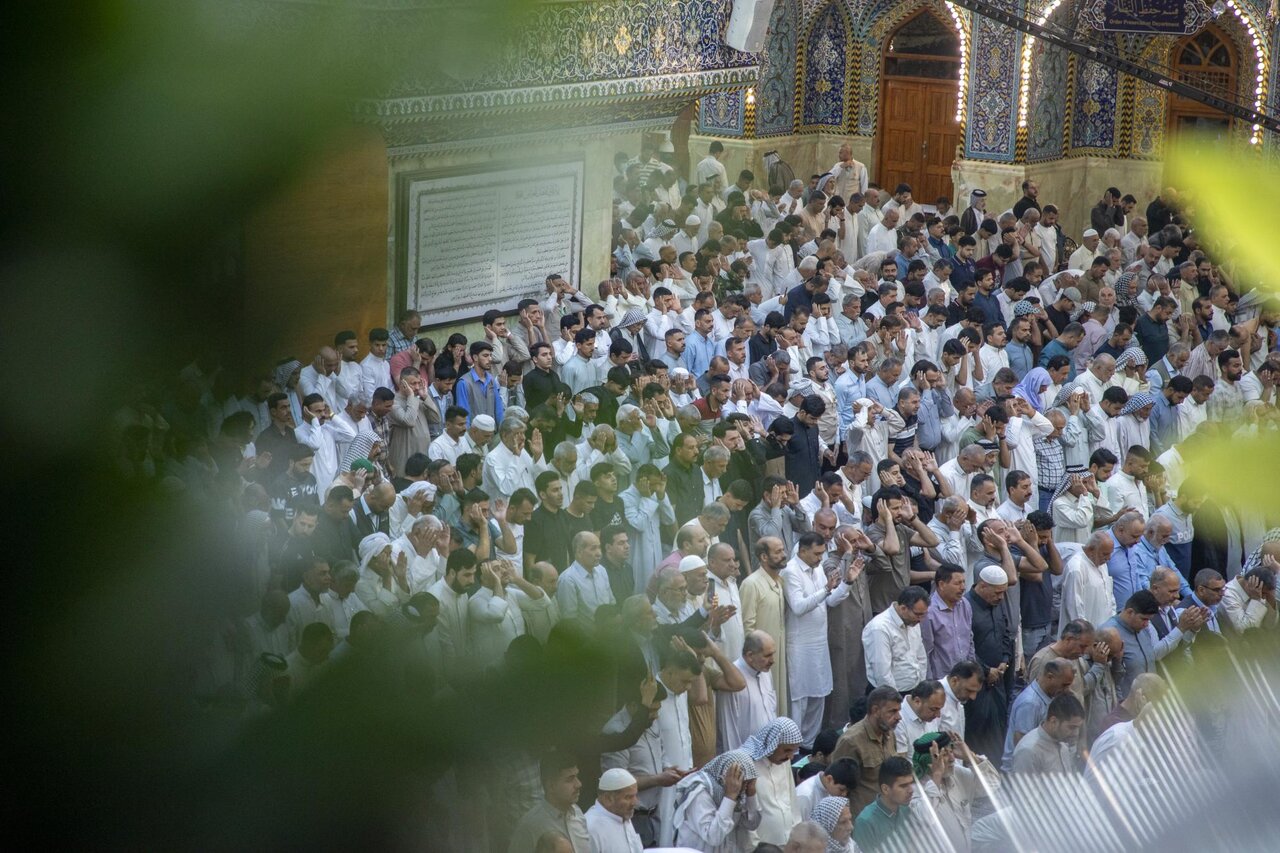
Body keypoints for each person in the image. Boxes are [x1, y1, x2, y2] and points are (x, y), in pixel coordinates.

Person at [910, 731, 999, 852]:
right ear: (929, 761)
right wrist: (936, 775)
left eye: (951, 751)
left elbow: (992, 783)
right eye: (944, 754)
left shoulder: (957, 774)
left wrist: (970, 757)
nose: (952, 759)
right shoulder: (913, 789)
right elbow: (926, 817)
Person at [670, 749, 762, 852]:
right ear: (725, 777)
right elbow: (713, 837)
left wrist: (751, 793)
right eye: (743, 782)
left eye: (747, 783)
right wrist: (730, 797)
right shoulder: (700, 792)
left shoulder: (737, 792)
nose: (744, 787)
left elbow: (751, 824)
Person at [830, 686, 902, 814]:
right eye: (892, 711)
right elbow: (838, 789)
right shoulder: (851, 741)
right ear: (875, 710)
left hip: (888, 814)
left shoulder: (890, 734)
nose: (899, 717)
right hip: (863, 820)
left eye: (898, 711)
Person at [508, 752, 592, 853]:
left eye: (577, 776)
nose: (578, 784)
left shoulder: (577, 813)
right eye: (570, 779)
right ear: (551, 786)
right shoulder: (529, 827)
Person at [741, 718, 804, 845]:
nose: (791, 757)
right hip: (761, 848)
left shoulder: (783, 762)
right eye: (787, 750)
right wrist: (753, 847)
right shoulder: (746, 764)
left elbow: (791, 800)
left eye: (793, 751)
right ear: (772, 744)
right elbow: (747, 812)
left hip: (787, 843)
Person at [718, 630, 779, 753]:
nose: (772, 660)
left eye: (773, 654)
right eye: (767, 655)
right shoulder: (732, 680)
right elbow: (729, 731)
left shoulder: (765, 671)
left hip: (769, 754)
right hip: (746, 759)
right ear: (750, 656)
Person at [862, 586, 929, 692]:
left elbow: (921, 657)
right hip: (889, 696)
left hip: (914, 691)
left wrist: (920, 688)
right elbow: (882, 674)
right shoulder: (879, 628)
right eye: (918, 614)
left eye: (923, 615)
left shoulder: (913, 621)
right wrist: (896, 702)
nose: (921, 620)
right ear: (903, 608)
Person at [1008, 693, 1085, 774]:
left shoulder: (1063, 743)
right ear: (1053, 721)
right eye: (1072, 727)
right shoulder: (1028, 751)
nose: (1076, 733)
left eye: (1078, 727)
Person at [852, 756, 915, 852]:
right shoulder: (865, 822)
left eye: (911, 783)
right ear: (885, 789)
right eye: (903, 786)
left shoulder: (907, 809)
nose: (911, 790)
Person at [585, 768, 644, 853]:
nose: (635, 802)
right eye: (628, 797)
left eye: (635, 795)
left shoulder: (622, 814)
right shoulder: (590, 828)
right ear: (608, 798)